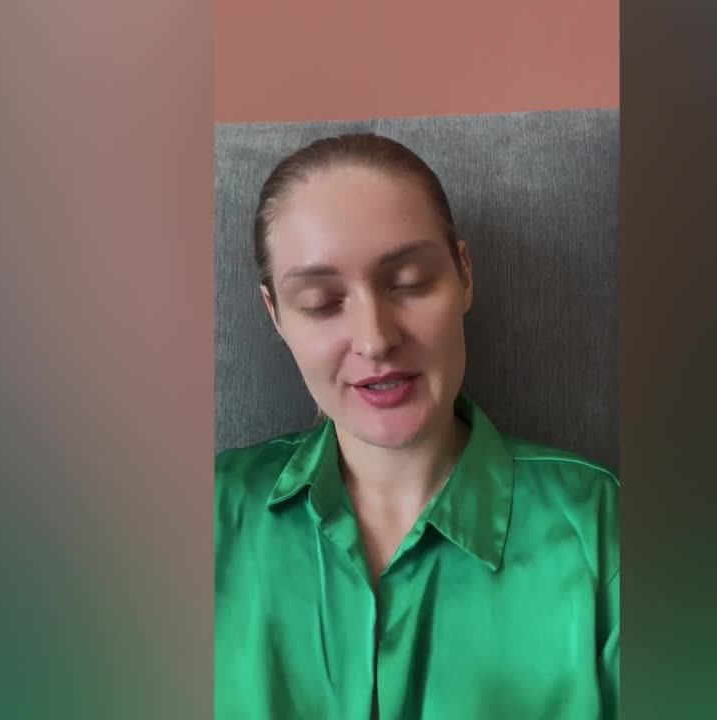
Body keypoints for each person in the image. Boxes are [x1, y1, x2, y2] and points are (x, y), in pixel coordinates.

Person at [215, 133, 619, 720]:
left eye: (408, 283)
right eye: (323, 302)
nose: (376, 339)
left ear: (465, 275)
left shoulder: (602, 530)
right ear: (275, 314)